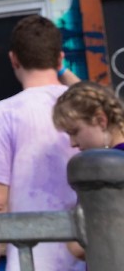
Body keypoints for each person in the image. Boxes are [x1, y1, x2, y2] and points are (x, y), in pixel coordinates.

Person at [0, 15, 85, 271]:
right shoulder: (85, 109)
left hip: (29, 263)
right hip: (91, 259)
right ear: (60, 59)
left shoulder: (0, 115)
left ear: (13, 59)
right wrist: (61, 69)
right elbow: (98, 96)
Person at [53, 80, 124, 260]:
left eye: (74, 131)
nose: (73, 143)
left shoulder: (100, 169)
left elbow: (79, 246)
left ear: (101, 120)